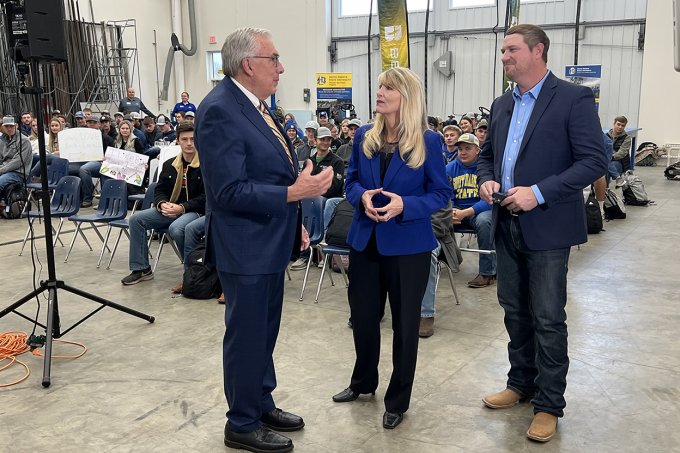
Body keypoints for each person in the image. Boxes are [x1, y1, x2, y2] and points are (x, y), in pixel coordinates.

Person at [194, 27, 333, 453]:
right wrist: (296, 194)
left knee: (264, 332)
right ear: (248, 64)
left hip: (271, 238)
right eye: (274, 59)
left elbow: (267, 171)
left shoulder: (256, 106)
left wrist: (296, 219)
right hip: (246, 245)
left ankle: (259, 401)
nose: (281, 66)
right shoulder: (219, 110)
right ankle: (241, 422)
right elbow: (228, 191)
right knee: (247, 334)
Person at [477, 24, 607, 443]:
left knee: (548, 317)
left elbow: (593, 162)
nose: (504, 58)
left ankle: (549, 404)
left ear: (539, 51)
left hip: (548, 226)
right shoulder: (501, 104)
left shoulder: (573, 98)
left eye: (512, 50)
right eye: (502, 51)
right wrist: (487, 180)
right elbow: (487, 157)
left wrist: (538, 193)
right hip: (506, 222)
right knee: (514, 311)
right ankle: (521, 383)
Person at [332, 67, 451, 430]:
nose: (379, 92)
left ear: (406, 96)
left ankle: (397, 399)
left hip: (408, 246)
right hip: (365, 240)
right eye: (379, 85)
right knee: (364, 319)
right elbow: (350, 180)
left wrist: (406, 206)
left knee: (404, 325)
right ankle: (363, 382)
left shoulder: (427, 141)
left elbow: (441, 193)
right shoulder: (365, 136)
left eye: (387, 87)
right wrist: (362, 195)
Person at [121, 122, 205, 285]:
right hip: (171, 208)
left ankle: (192, 271)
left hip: (194, 210)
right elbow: (160, 190)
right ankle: (141, 268)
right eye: (185, 139)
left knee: (177, 228)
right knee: (136, 220)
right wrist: (161, 204)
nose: (189, 143)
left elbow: (207, 197)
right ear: (178, 141)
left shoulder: (206, 165)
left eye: (193, 139)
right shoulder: (169, 165)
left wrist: (182, 208)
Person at [446, 133, 496, 288]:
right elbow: (445, 193)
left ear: (477, 150)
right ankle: (438, 263)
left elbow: (491, 200)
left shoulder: (487, 170)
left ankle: (487, 273)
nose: (463, 152)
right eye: (460, 149)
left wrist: (466, 212)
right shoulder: (449, 168)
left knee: (485, 221)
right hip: (456, 210)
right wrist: (451, 209)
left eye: (468, 148)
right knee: (432, 218)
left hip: (478, 211)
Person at [0, 116, 33, 200]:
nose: (9, 129)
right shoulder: (2, 140)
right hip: (4, 170)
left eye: (11, 126)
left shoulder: (24, 141)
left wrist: (1, 170)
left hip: (19, 173)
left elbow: (18, 162)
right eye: (6, 126)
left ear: (17, 126)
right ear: (3, 127)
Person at [606, 116, 631, 181]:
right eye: (618, 124)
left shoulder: (627, 138)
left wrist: (609, 157)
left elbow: (622, 153)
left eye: (622, 125)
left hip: (619, 162)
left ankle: (604, 189)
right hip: (607, 160)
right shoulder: (606, 136)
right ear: (614, 124)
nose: (620, 127)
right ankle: (617, 179)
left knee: (606, 167)